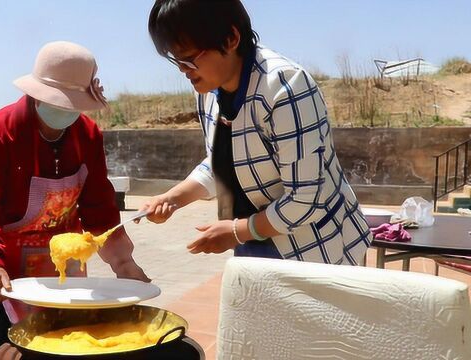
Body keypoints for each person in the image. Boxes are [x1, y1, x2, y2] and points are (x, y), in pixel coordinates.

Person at [143, 0, 371, 264]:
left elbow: (306, 197)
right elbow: (225, 163)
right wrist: (173, 198)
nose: (183, 70)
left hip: (316, 251)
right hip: (254, 242)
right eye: (176, 59)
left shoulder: (285, 87)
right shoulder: (209, 91)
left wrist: (237, 232)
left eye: (190, 58)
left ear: (230, 38)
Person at [0, 41, 149, 348]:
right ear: (36, 94)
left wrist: (123, 263)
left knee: (67, 343)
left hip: (61, 265)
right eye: (57, 102)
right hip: (2, 266)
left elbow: (99, 209)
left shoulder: (87, 136)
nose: (64, 111)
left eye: (72, 105)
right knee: (11, 348)